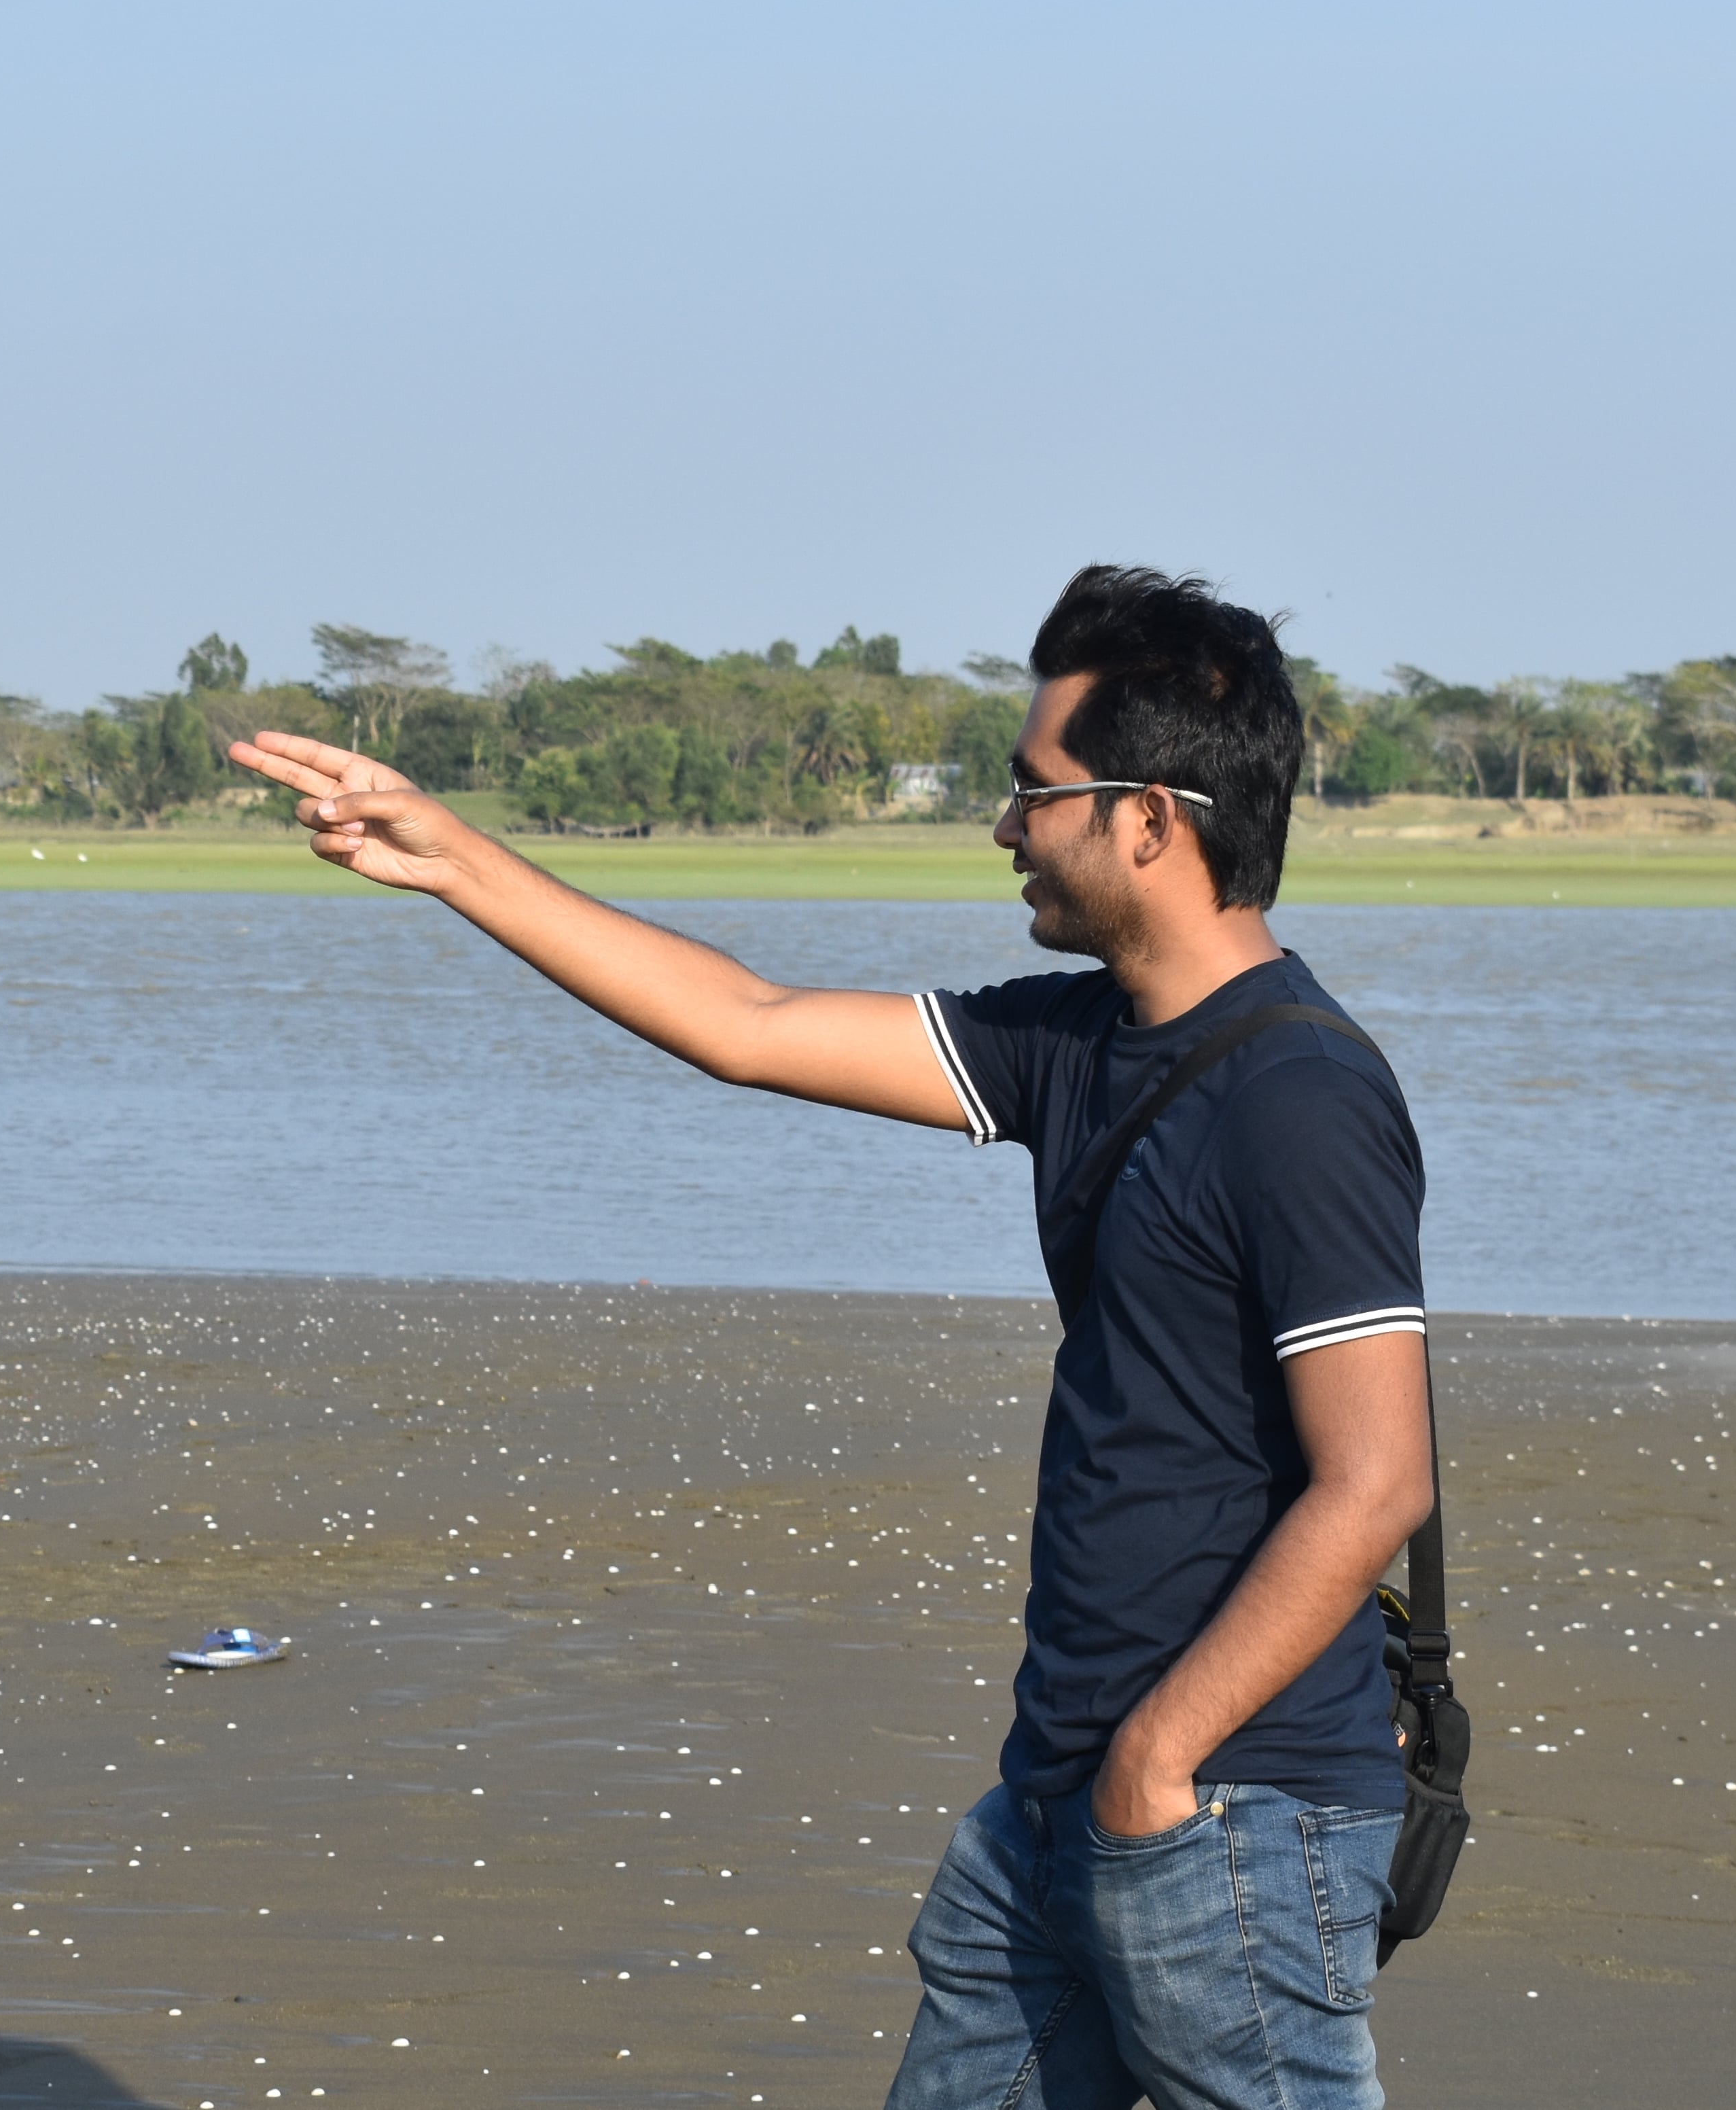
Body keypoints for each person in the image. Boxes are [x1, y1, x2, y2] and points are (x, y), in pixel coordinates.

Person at [228, 567, 1438, 2110]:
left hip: (1223, 1811)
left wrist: (1155, 1763)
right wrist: (454, 859)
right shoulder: (1078, 1042)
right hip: (1058, 1794)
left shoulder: (1300, 1099)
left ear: (1149, 819)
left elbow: (1375, 1479)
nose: (1003, 827)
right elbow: (746, 1023)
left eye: (1033, 791)